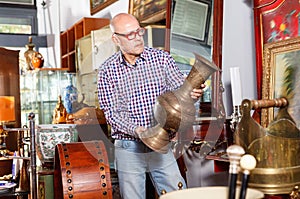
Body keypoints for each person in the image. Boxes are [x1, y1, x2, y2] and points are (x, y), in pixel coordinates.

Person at [97, 13, 205, 199]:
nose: (138, 38)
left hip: (161, 144)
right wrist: (139, 131)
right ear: (116, 39)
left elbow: (179, 96)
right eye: (130, 35)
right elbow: (112, 114)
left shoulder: (161, 59)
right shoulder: (107, 71)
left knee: (178, 194)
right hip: (128, 147)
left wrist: (192, 94)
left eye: (139, 31)